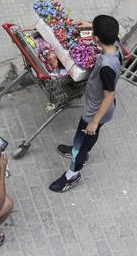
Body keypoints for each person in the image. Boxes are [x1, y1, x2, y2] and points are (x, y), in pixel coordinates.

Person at [50, 14, 123, 192]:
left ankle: (72, 174)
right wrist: (89, 24)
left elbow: (108, 95)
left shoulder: (107, 66)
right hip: (103, 109)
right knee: (88, 137)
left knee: (81, 141)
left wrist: (94, 121)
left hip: (95, 111)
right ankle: (84, 151)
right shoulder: (116, 44)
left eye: (93, 30)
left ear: (96, 38)